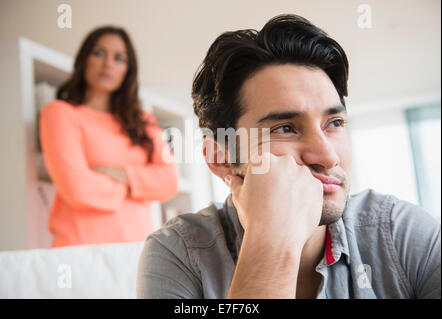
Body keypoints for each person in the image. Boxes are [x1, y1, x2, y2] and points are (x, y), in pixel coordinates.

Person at [136, 15, 441, 298]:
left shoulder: (403, 233)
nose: (328, 156)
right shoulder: (178, 253)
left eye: (334, 123)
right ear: (220, 158)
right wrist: (271, 243)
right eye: (285, 128)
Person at [40, 26, 179, 247]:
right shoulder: (59, 113)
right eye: (99, 53)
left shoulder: (143, 121)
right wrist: (134, 189)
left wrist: (118, 174)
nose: (108, 64)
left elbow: (169, 183)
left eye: (119, 58)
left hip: (137, 250)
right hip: (80, 249)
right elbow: (76, 189)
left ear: (128, 69)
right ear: (84, 59)